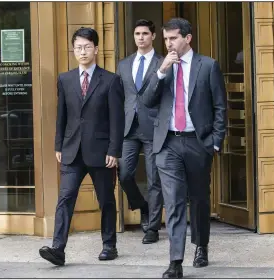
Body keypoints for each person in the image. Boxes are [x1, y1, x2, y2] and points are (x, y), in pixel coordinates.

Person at [140, 18, 226, 278]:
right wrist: (162, 71)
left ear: (187, 38)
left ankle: (201, 245)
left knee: (199, 198)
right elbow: (146, 101)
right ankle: (175, 261)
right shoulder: (159, 65)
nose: (169, 43)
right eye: (166, 39)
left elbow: (220, 107)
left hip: (198, 142)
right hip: (168, 143)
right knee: (174, 200)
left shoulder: (207, 66)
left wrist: (215, 141)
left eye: (174, 38)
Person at [39, 27, 125, 266]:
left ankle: (109, 245)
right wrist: (59, 145)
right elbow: (61, 116)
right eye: (78, 47)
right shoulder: (65, 79)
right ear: (73, 50)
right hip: (71, 150)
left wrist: (114, 150)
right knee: (65, 198)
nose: (83, 51)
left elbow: (118, 119)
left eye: (87, 47)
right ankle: (58, 249)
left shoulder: (111, 80)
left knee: (106, 199)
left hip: (101, 152)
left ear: (96, 49)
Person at [116, 19, 163, 244]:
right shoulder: (123, 65)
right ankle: (141, 205)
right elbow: (121, 98)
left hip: (154, 127)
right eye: (137, 33)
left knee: (155, 179)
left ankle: (153, 227)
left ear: (153, 36)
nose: (141, 37)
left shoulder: (163, 63)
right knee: (124, 174)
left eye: (145, 33)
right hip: (128, 128)